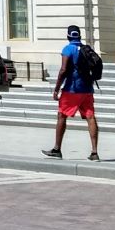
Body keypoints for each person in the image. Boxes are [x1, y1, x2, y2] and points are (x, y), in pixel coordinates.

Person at [43, 23, 99, 160]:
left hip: (72, 89)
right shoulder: (86, 49)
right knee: (91, 117)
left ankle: (57, 149)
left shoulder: (68, 49)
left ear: (68, 36)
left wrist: (56, 89)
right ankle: (94, 152)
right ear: (80, 35)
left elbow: (63, 70)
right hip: (87, 89)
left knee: (62, 115)